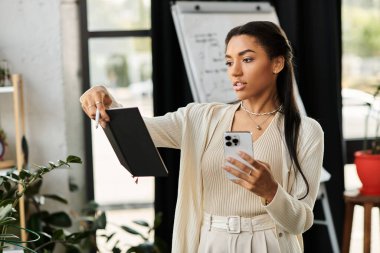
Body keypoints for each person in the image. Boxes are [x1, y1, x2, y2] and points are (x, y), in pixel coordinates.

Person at [80, 21, 324, 253]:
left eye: (247, 59)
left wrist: (271, 190)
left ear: (277, 63)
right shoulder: (201, 118)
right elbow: (143, 130)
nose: (235, 71)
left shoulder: (306, 132)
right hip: (210, 241)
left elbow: (301, 221)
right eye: (229, 62)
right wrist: (107, 102)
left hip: (270, 243)